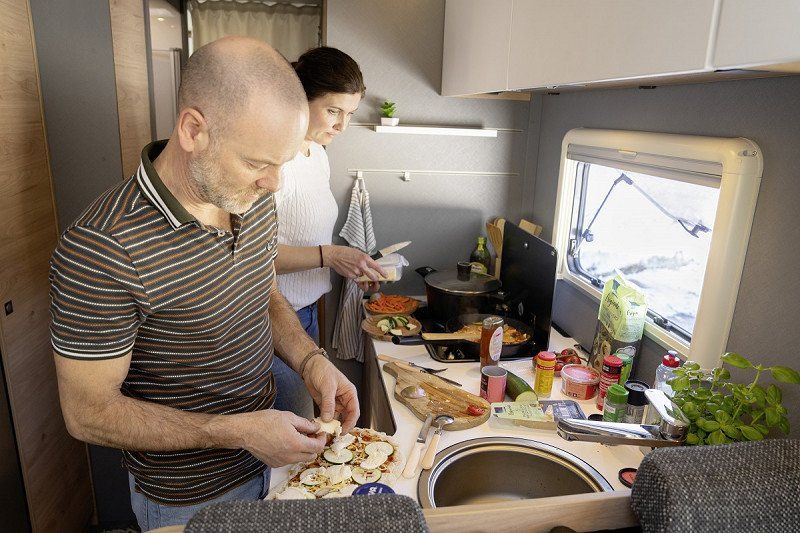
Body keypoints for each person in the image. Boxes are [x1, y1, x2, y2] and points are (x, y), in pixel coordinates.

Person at [48, 37, 358, 530]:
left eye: (282, 163)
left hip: (270, 464)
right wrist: (236, 432)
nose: (274, 183)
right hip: (189, 500)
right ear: (193, 129)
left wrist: (310, 360)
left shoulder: (252, 200)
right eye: (258, 163)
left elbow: (263, 293)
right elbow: (88, 413)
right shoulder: (102, 248)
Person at [271, 47, 384, 419]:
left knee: (312, 419)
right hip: (272, 318)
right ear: (300, 98)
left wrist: (349, 265)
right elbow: (253, 256)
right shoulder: (272, 162)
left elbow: (309, 237)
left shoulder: (317, 154)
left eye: (349, 114)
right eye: (333, 111)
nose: (341, 126)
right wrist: (330, 255)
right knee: (297, 424)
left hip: (310, 313)